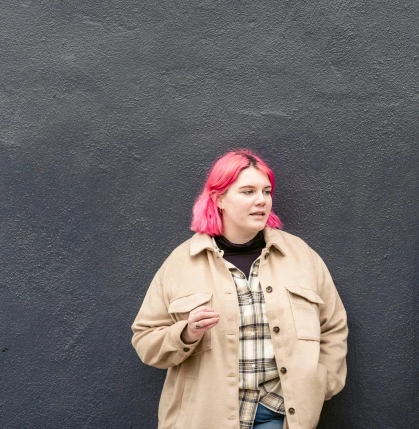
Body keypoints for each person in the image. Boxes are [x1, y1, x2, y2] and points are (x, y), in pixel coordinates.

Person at [132, 149, 348, 429]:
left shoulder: (301, 256)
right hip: (206, 419)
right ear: (219, 198)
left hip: (279, 415)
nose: (261, 200)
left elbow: (333, 326)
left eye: (266, 191)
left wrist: (320, 382)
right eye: (248, 191)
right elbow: (145, 340)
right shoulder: (181, 263)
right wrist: (186, 333)